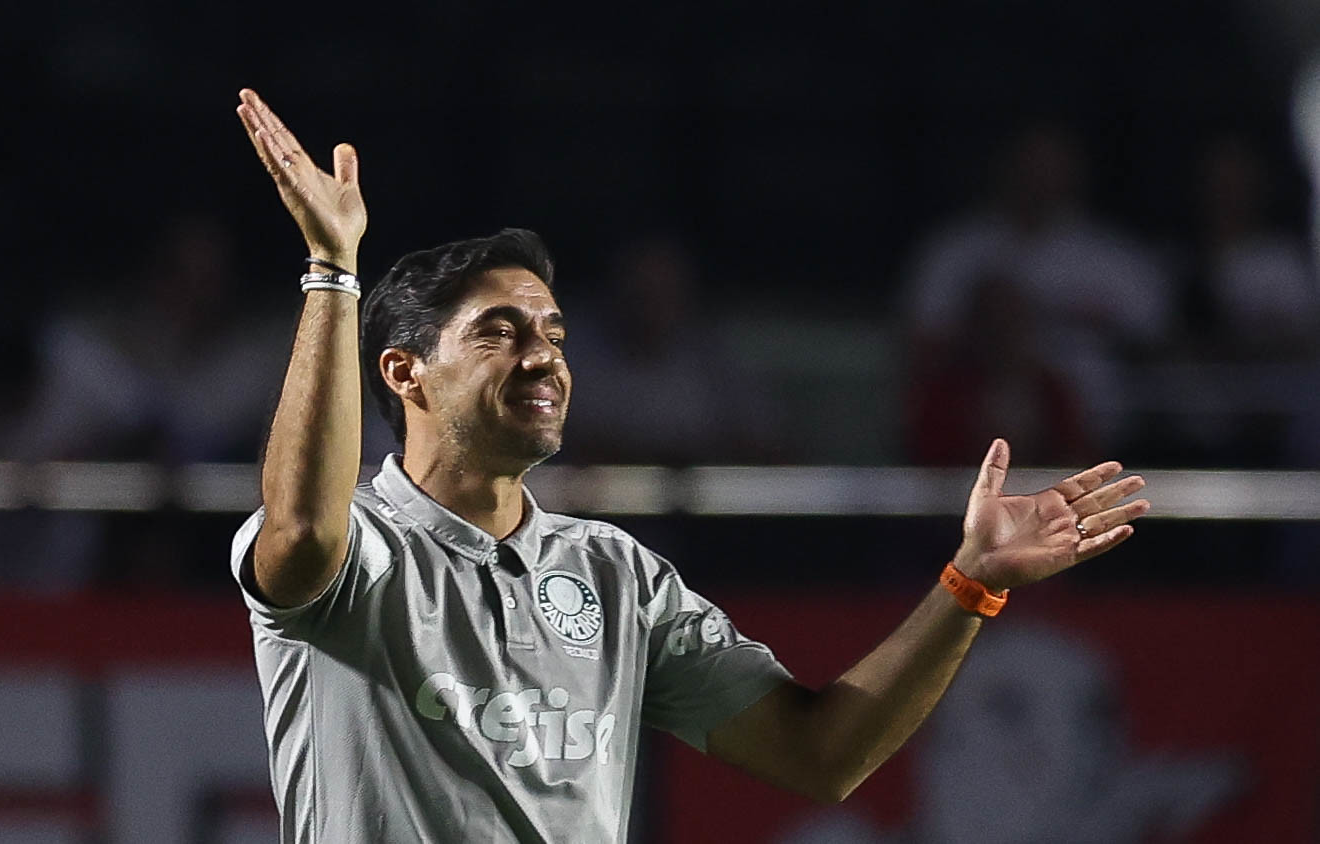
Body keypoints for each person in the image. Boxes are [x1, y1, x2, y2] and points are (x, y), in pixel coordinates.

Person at [228, 88, 1151, 843]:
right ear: (405, 373)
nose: (544, 357)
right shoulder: (364, 559)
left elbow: (822, 754)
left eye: (553, 333)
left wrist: (969, 584)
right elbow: (304, 531)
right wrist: (332, 270)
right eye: (499, 334)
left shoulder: (615, 575)